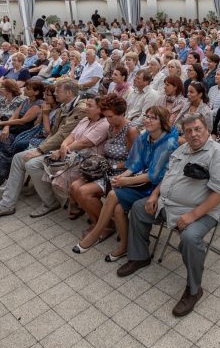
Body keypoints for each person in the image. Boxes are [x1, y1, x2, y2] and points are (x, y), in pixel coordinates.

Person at [116, 113, 220, 317]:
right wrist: (154, 195)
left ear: (207, 129)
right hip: (168, 203)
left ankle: (194, 289)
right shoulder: (182, 149)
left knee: (190, 237)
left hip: (201, 210)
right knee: (139, 208)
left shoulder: (218, 154)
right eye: (188, 131)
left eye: (197, 129)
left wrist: (193, 215)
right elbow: (169, 176)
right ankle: (139, 256)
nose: (193, 134)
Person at [72, 106, 179, 260]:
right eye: (147, 116)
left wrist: (126, 180)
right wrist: (122, 177)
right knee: (117, 209)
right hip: (140, 181)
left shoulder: (168, 143)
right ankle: (124, 246)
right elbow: (135, 163)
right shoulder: (144, 136)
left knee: (113, 194)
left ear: (162, 122)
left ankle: (96, 234)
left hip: (155, 187)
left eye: (153, 118)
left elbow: (153, 176)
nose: (147, 120)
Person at [0, 79, 87, 220]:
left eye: (57, 91)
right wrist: (40, 147)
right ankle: (6, 205)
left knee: (32, 163)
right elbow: (53, 133)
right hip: (54, 145)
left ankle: (50, 202)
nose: (55, 93)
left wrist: (40, 150)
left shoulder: (79, 108)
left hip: (70, 150)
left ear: (68, 92)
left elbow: (63, 134)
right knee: (19, 157)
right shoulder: (64, 106)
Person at [69, 94, 138, 230]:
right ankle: (100, 223)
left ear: (122, 113)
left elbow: (135, 162)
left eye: (111, 116)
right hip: (106, 169)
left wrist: (111, 165)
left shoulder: (131, 131)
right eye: (106, 116)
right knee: (74, 187)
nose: (108, 120)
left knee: (84, 192)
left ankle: (104, 227)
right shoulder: (111, 127)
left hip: (123, 173)